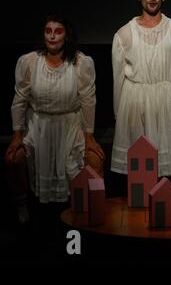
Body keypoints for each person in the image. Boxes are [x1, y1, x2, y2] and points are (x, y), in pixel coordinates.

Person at [4, 15, 104, 225]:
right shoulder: (30, 62)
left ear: (66, 35)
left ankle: (91, 213)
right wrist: (16, 136)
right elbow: (20, 101)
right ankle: (22, 208)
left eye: (57, 31)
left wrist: (89, 137)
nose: (52, 35)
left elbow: (88, 101)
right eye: (48, 31)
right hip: (38, 127)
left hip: (70, 126)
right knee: (13, 159)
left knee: (94, 160)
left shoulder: (79, 62)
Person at [111, 0, 171, 177]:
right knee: (139, 170)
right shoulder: (123, 34)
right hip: (134, 104)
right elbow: (118, 80)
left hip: (167, 103)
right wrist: (118, 115)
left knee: (165, 172)